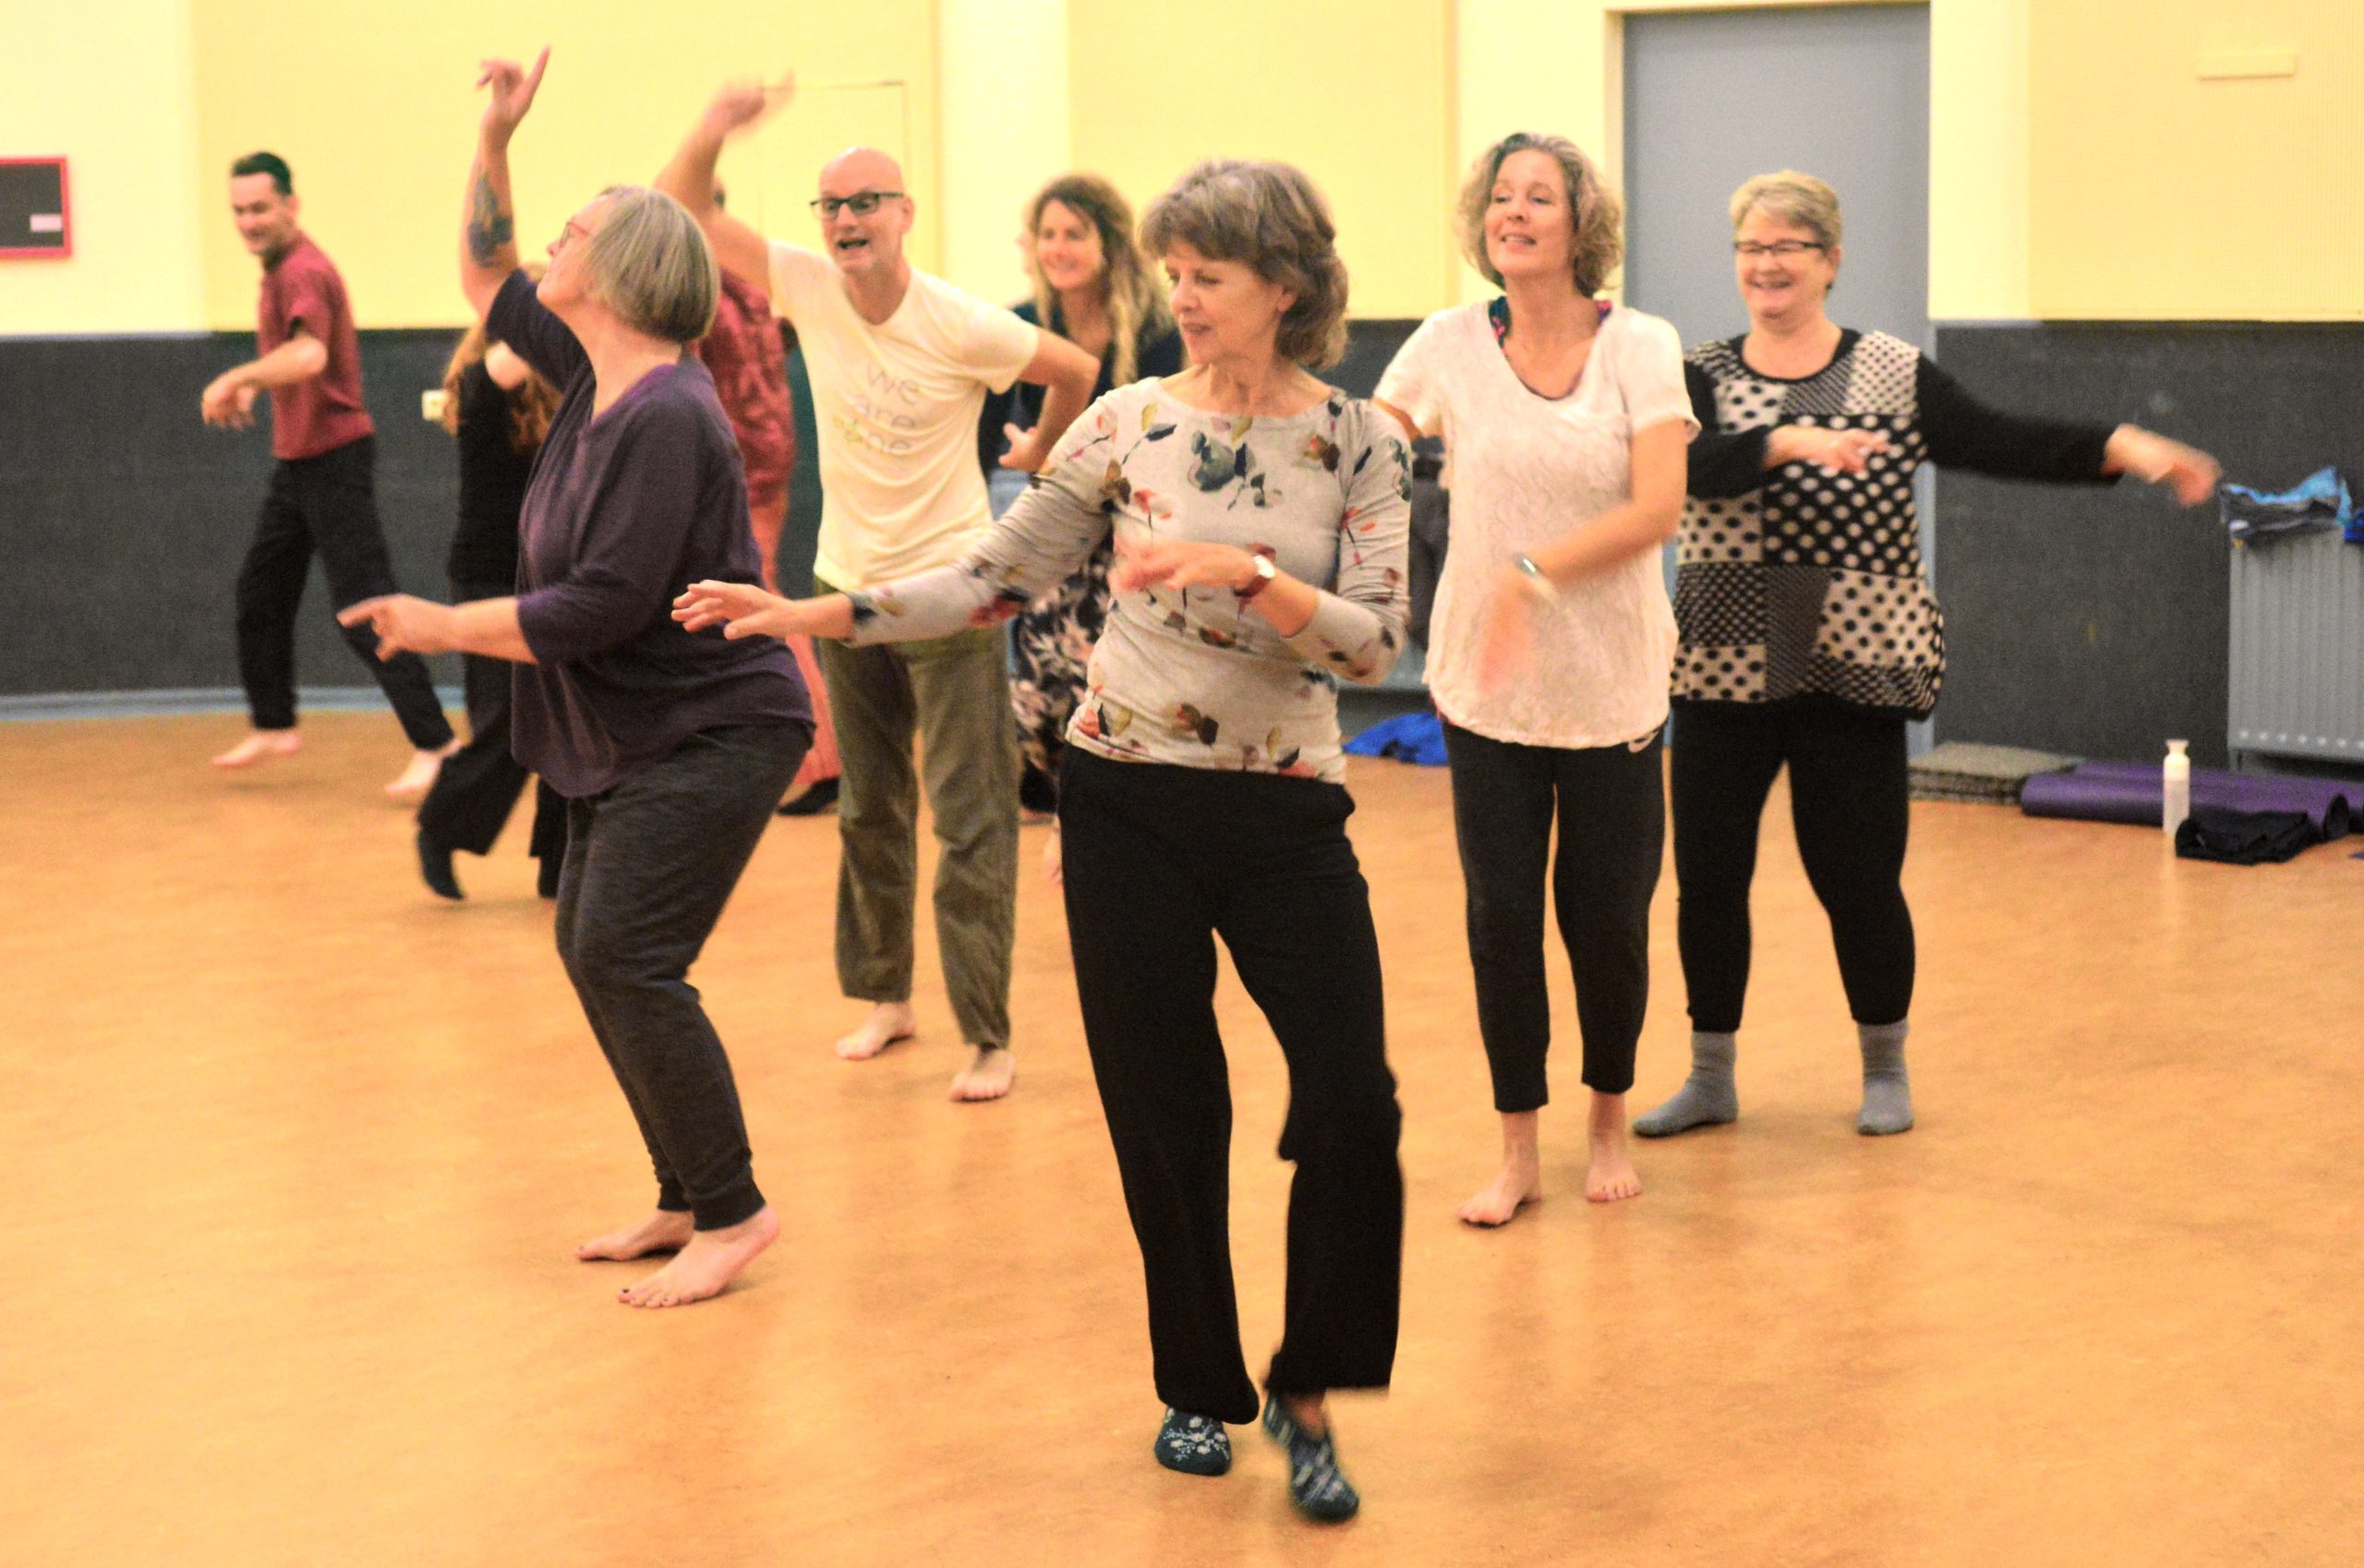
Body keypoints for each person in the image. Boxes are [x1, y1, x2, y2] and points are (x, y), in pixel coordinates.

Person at [678, 158, 1411, 1524]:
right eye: (1177, 273)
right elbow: (989, 576)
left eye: (1213, 277)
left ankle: (1313, 1387)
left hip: (1288, 808)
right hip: (1125, 792)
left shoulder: (1363, 440)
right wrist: (811, 615)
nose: (1185, 297)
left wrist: (1251, 576)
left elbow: (1378, 638)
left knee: (1356, 1104)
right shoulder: (1124, 422)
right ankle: (1199, 1383)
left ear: (1288, 289)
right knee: (1166, 1104)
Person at [342, 50, 814, 1308]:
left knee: (627, 953)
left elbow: (602, 604)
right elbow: (486, 272)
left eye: (577, 231)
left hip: (718, 727)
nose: (552, 240)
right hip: (641, 725)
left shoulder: (669, 413)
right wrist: (495, 136)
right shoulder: (597, 373)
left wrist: (444, 623)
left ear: (626, 272)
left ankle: (734, 1210)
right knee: (592, 941)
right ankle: (682, 1187)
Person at [1634, 170, 2220, 1141]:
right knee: (1708, 879)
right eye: (1750, 247)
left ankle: (1883, 1066)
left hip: (1853, 666)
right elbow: (1668, 470)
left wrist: (2120, 443)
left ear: (1829, 261)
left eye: (1787, 246)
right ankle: (1710, 1075)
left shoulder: (1894, 374)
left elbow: (2001, 440)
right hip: (1725, 664)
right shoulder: (1697, 373)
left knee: (1858, 876)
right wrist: (1783, 445)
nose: (1765, 264)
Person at [657, 80, 1100, 1102]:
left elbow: (1073, 367)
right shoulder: (804, 284)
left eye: (868, 201)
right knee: (869, 808)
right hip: (843, 584)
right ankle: (886, 997)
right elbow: (684, 207)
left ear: (904, 214)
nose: (849, 219)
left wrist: (1043, 445)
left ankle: (986, 1035)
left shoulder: (959, 321)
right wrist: (716, 122)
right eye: (834, 204)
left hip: (950, 594)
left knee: (972, 813)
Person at [1376, 132, 1694, 1223]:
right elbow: (1364, 453)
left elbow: (1657, 508)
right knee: (1499, 918)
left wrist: (1532, 574)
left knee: (1606, 920)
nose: (1513, 212)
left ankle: (1606, 1119)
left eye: (1538, 198)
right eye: (1500, 197)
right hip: (1486, 683)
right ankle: (1517, 1150)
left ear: (1579, 226)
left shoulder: (1642, 346)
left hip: (1610, 682)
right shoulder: (1446, 342)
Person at [202, 151, 457, 794]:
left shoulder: (304, 271)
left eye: (260, 208)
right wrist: (261, 387)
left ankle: (438, 743)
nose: (249, 221)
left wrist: (238, 376)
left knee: (365, 607)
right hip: (298, 463)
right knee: (260, 594)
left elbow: (310, 353)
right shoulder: (278, 270)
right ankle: (274, 723)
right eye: (239, 211)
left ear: (291, 204)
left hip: (333, 460)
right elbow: (298, 357)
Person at [976, 175, 1183, 851]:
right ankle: (1052, 780)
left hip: (1133, 516)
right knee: (1042, 667)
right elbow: (991, 431)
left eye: (1074, 234)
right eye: (1048, 235)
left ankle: (1116, 798)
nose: (1059, 248)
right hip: (1055, 512)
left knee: (1114, 666)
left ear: (1108, 243)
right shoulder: (1024, 322)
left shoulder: (1155, 326)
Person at [690, 182, 842, 818]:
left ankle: (823, 756)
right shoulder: (753, 288)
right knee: (754, 601)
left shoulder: (702, 293)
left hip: (738, 466)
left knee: (765, 606)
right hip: (767, 457)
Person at [413, 298, 567, 900]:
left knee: (570, 724)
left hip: (554, 580)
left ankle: (560, 862)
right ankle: (440, 827)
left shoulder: (574, 400)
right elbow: (492, 371)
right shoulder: (480, 397)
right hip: (488, 580)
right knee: (506, 724)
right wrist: (553, 305)